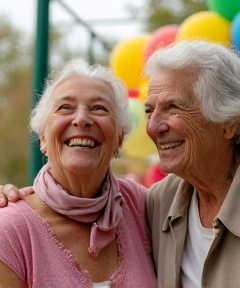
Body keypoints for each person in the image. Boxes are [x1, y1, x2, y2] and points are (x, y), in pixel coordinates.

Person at [2, 40, 240, 288]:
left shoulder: (143, 207)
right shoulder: (162, 202)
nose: (154, 126)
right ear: (41, 136)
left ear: (228, 121)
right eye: (150, 110)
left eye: (173, 107)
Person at [0, 59, 157, 287]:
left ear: (119, 139)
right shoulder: (9, 229)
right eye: (65, 107)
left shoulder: (143, 208)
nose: (82, 119)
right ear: (43, 138)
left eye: (99, 108)